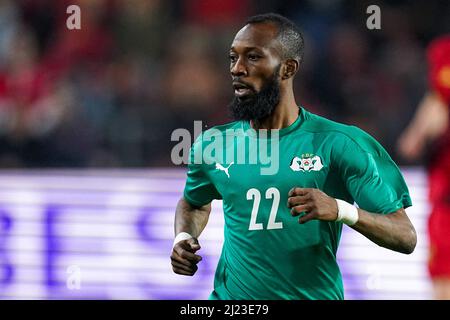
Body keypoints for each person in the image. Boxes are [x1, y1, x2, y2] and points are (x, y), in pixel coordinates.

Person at [171, 13, 417, 300]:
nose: (237, 69)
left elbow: (405, 236)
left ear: (287, 68)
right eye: (232, 58)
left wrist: (341, 210)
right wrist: (184, 237)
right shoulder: (213, 144)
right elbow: (193, 203)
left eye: (252, 57)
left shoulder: (340, 143)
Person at [398, 35, 450, 300]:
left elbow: (438, 108)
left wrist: (416, 136)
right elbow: (436, 98)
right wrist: (415, 135)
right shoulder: (443, 52)